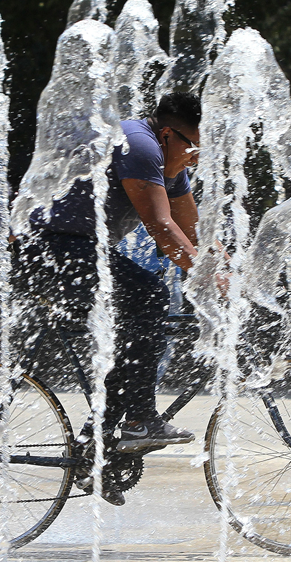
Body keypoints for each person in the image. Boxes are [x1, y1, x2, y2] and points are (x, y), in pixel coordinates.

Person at [21, 92, 205, 481]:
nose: (196, 156)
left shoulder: (173, 162)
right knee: (149, 297)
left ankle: (96, 443)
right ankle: (139, 420)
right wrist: (205, 276)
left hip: (77, 248)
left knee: (138, 329)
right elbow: (161, 227)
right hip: (45, 247)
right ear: (169, 134)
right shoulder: (140, 145)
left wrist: (228, 272)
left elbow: (194, 232)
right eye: (193, 146)